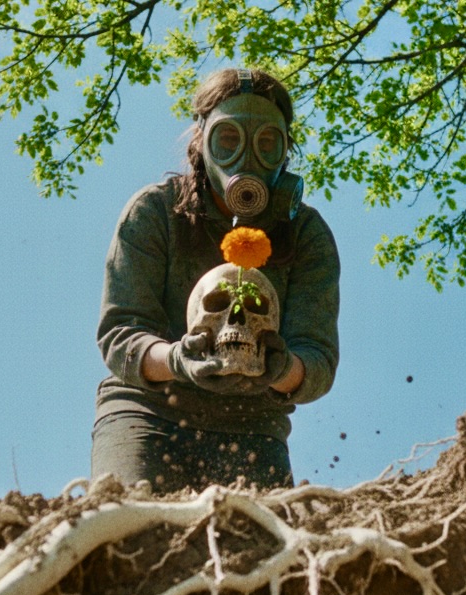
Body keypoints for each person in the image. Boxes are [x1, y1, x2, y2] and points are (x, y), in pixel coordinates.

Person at [91, 68, 341, 493]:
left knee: (258, 547)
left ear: (285, 151)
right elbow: (120, 333)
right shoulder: (154, 212)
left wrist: (281, 370)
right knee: (131, 531)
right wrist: (173, 361)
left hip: (253, 427)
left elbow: (316, 359)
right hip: (148, 411)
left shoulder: (306, 235)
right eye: (229, 139)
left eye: (266, 144)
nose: (247, 158)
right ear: (200, 144)